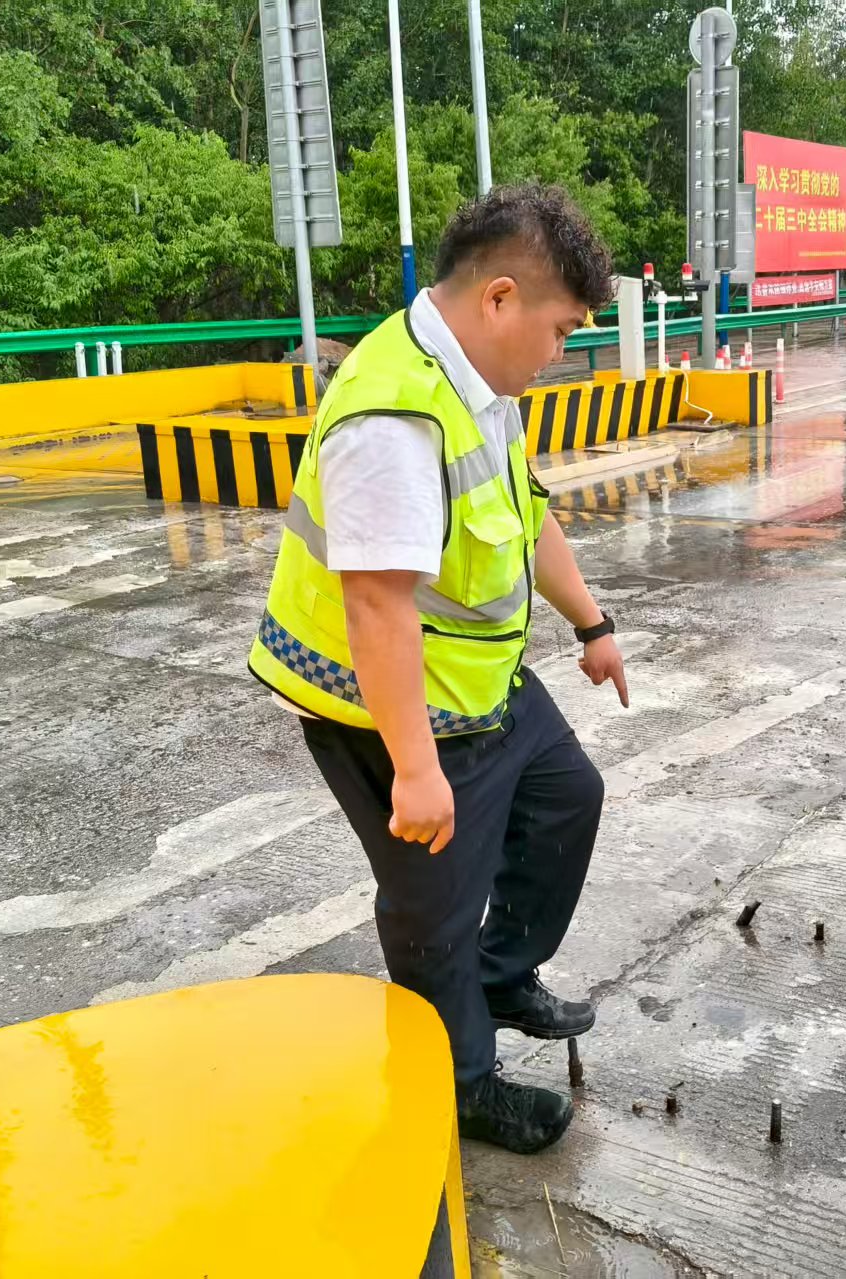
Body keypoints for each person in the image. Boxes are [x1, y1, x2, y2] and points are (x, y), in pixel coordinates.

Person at [249, 184, 629, 1151]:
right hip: (386, 705)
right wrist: (414, 770)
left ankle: (503, 977)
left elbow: (525, 512)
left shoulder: (481, 386)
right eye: (560, 330)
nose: (560, 355)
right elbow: (375, 604)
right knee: (435, 907)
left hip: (481, 683)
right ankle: (459, 1081)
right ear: (499, 299)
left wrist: (592, 623)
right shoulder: (393, 416)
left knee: (565, 798)